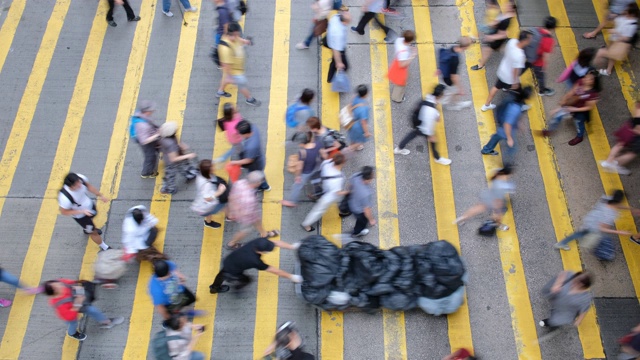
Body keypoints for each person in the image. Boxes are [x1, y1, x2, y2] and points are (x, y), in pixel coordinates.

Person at [209, 237, 302, 294]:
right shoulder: (255, 261)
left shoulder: (258, 241)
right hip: (233, 270)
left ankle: (214, 288)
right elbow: (273, 270)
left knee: (222, 273)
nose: (268, 252)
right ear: (260, 251)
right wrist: (291, 277)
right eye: (267, 251)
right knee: (247, 280)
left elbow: (276, 242)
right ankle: (236, 289)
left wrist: (292, 246)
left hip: (230, 259)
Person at [44, 279, 124, 341]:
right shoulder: (60, 304)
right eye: (56, 286)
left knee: (93, 310)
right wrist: (78, 303)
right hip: (74, 309)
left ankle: (107, 322)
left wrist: (77, 289)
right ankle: (72, 333)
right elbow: (70, 316)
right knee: (73, 324)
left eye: (56, 282)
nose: (59, 283)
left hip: (79, 303)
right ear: (54, 291)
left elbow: (71, 283)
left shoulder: (61, 283)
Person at [553, 190, 634, 251]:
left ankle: (563, 243)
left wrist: (630, 209)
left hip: (590, 219)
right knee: (581, 235)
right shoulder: (609, 214)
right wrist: (619, 232)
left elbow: (617, 206)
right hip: (592, 227)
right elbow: (602, 228)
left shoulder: (607, 198)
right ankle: (561, 244)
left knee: (580, 233)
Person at [393, 84, 452, 166]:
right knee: (433, 141)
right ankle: (437, 158)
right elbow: (429, 125)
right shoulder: (432, 111)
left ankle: (399, 148)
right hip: (423, 126)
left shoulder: (429, 96)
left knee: (412, 134)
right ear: (439, 96)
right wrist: (430, 135)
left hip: (418, 121)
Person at [542, 69, 601, 146]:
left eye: (590, 78)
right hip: (571, 105)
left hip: (581, 111)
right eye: (587, 76)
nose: (586, 78)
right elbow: (571, 92)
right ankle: (550, 130)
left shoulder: (593, 94)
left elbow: (588, 107)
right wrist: (563, 102)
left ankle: (580, 137)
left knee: (579, 123)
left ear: (594, 82)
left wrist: (574, 109)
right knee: (557, 116)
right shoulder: (580, 82)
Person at [227, 171, 280, 249]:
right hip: (247, 216)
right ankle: (231, 244)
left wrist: (233, 210)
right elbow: (248, 213)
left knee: (257, 221)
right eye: (260, 181)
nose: (261, 183)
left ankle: (264, 234)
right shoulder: (249, 198)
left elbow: (231, 197)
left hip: (242, 211)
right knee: (245, 230)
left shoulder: (240, 183)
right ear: (257, 183)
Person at [481, 30, 532, 112]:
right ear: (524, 41)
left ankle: (486, 105)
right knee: (519, 90)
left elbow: (504, 50)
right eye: (529, 39)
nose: (530, 41)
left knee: (496, 87)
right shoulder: (520, 55)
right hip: (509, 78)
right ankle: (522, 105)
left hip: (502, 70)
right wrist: (515, 82)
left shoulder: (512, 41)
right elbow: (515, 70)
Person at [58, 172, 111, 251]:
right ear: (71, 186)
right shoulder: (65, 198)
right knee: (93, 232)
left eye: (79, 182)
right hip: (82, 217)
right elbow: (64, 212)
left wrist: (100, 195)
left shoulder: (81, 178)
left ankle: (87, 229)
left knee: (93, 217)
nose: (80, 184)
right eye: (77, 184)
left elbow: (89, 186)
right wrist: (82, 211)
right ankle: (104, 247)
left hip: (90, 207)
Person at [481, 86, 533, 165]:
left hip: (502, 123)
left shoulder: (515, 97)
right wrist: (509, 138)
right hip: (506, 128)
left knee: (497, 136)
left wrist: (519, 123)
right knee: (512, 147)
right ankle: (507, 165)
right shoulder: (515, 109)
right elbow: (507, 124)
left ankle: (486, 150)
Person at [454, 166, 515, 231]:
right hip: (495, 201)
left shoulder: (497, 171)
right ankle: (498, 224)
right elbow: (500, 197)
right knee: (498, 215)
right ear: (508, 174)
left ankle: (463, 218)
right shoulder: (505, 185)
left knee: (477, 209)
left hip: (487, 195)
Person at [216, 22, 261, 105]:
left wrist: (246, 42)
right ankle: (249, 99)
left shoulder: (232, 37)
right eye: (236, 35)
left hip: (236, 67)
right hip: (234, 71)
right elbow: (226, 65)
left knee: (225, 79)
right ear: (231, 34)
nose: (237, 37)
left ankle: (220, 91)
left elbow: (238, 39)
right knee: (242, 84)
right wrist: (230, 76)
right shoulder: (225, 49)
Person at [301, 153, 347, 232]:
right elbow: (338, 192)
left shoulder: (327, 162)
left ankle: (343, 210)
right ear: (342, 163)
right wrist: (348, 191)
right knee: (318, 211)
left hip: (320, 186)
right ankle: (306, 224)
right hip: (328, 196)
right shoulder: (338, 178)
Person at [594, 3, 639, 76]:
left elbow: (626, 38)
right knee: (611, 56)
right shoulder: (625, 16)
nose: (625, 11)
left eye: (627, 10)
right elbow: (617, 21)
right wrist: (613, 17)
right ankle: (608, 71)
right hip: (614, 40)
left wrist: (615, 32)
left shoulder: (632, 25)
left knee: (600, 52)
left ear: (632, 14)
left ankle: (593, 68)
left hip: (619, 44)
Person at [470, 0, 517, 71]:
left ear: (511, 8)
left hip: (496, 39)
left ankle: (481, 65)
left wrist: (491, 37)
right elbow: (498, 21)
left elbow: (503, 35)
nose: (505, 5)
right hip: (496, 35)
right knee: (499, 48)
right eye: (507, 4)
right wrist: (492, 24)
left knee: (486, 50)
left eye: (508, 5)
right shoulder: (507, 14)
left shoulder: (507, 21)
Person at [148, 260, 197, 328]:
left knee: (192, 299)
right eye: (168, 274)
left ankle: (185, 313)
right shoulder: (156, 289)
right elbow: (160, 308)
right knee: (172, 315)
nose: (170, 274)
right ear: (160, 277)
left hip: (180, 292)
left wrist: (181, 277)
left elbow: (175, 271)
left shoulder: (166, 265)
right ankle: (167, 324)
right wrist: (168, 318)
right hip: (170, 303)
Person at [281, 132, 321, 207]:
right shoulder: (317, 144)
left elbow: (299, 166)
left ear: (302, 143)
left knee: (297, 186)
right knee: (314, 181)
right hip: (316, 167)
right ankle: (315, 194)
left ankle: (292, 202)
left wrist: (297, 176)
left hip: (306, 172)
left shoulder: (303, 152)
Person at [229, 120, 270, 191]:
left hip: (255, 165)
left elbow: (248, 160)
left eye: (240, 134)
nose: (239, 135)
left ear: (245, 134)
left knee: (257, 175)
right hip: (258, 158)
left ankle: (264, 186)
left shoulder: (251, 147)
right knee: (258, 174)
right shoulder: (253, 127)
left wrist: (235, 162)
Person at [601, 101, 640, 175]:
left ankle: (608, 161)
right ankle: (616, 163)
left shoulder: (638, 106)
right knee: (632, 153)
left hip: (627, 128)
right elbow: (638, 129)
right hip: (634, 135)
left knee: (619, 145)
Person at [158, 122, 198, 195]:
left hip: (176, 155)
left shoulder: (164, 136)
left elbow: (177, 142)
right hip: (171, 161)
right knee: (170, 175)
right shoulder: (170, 144)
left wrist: (182, 145)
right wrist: (188, 155)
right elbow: (173, 159)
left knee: (184, 166)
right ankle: (169, 189)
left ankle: (190, 174)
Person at [523, 16, 557, 96]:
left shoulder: (537, 30)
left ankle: (508, 83)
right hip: (538, 62)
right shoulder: (549, 39)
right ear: (554, 27)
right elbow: (546, 55)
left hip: (528, 57)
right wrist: (544, 66)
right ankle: (542, 91)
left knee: (521, 69)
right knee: (540, 77)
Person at [438, 36, 473, 110]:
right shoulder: (455, 59)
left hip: (444, 75)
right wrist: (460, 88)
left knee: (450, 91)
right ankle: (449, 104)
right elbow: (453, 77)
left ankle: (455, 103)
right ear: (465, 47)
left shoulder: (452, 48)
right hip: (449, 80)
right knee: (454, 91)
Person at [191, 159, 227, 228]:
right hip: (208, 204)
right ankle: (229, 216)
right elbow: (207, 198)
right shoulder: (206, 185)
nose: (214, 168)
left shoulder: (201, 175)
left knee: (209, 212)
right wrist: (220, 191)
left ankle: (208, 222)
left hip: (204, 204)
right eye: (212, 167)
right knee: (222, 205)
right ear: (208, 171)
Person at [131, 100, 160, 178]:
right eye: (151, 110)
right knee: (150, 156)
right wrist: (157, 135)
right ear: (146, 111)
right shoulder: (142, 126)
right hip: (147, 142)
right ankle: (147, 173)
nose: (153, 111)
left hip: (149, 134)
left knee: (154, 151)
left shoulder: (140, 114)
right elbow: (144, 141)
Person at [346, 166, 376, 237]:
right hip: (358, 211)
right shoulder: (366, 193)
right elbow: (366, 210)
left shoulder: (356, 176)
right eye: (373, 175)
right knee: (362, 222)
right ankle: (357, 232)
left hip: (351, 201)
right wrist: (371, 220)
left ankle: (344, 213)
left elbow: (349, 186)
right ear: (369, 179)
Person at [389, 30, 417, 103]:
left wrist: (410, 47)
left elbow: (405, 44)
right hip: (400, 68)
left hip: (396, 62)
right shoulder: (403, 52)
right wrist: (412, 56)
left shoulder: (399, 40)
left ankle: (393, 80)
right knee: (400, 85)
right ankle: (397, 98)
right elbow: (402, 65)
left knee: (395, 77)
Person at [326, 9, 352, 83]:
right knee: (344, 66)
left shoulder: (335, 17)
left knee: (333, 63)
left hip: (332, 41)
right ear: (345, 22)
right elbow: (336, 50)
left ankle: (330, 78)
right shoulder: (338, 33)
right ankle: (337, 81)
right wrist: (339, 62)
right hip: (338, 47)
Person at [348, 85, 372, 151]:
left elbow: (350, 105)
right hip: (358, 126)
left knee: (353, 136)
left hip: (352, 121)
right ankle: (350, 148)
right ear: (365, 94)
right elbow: (363, 122)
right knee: (360, 140)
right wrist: (366, 132)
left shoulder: (355, 97)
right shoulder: (364, 108)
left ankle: (352, 144)